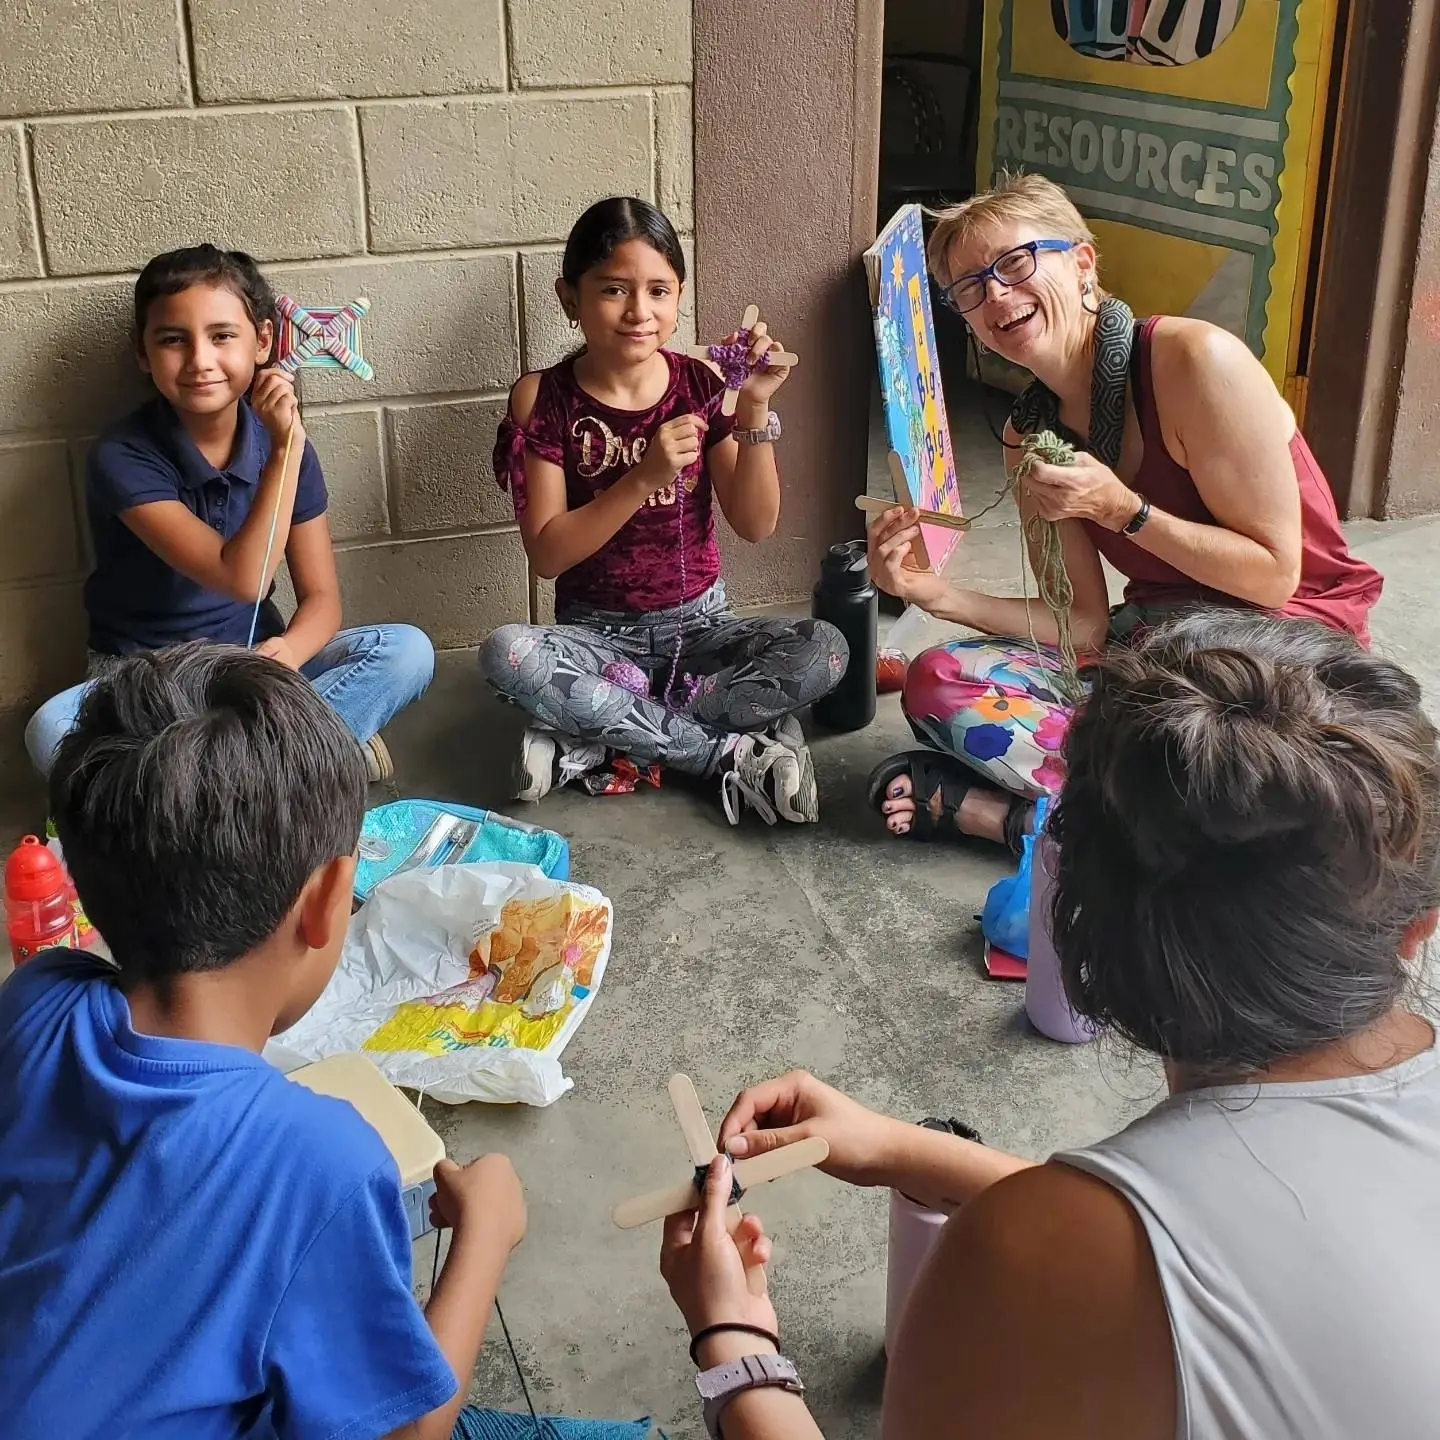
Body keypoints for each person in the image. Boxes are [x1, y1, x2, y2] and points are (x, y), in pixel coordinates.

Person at [659, 612, 1440, 1439]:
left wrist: (735, 1346)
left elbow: (1141, 1255)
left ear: (1071, 921)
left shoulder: (1027, 1257)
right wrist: (903, 1149)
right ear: (1417, 926)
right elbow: (1233, 1261)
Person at [0, 643, 647, 1440]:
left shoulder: (35, 999)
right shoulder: (324, 1164)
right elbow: (409, 1433)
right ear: (330, 900)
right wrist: (485, 1237)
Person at [866, 172, 1382, 850]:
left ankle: (1028, 821)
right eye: (969, 288)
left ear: (1082, 261)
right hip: (1158, 650)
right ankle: (1155, 826)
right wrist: (929, 592)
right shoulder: (1031, 436)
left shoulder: (1193, 361)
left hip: (1288, 651)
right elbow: (1082, 626)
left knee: (1176, 717)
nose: (996, 294)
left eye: (1016, 263)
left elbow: (1274, 578)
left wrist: (1126, 511)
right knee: (941, 682)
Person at [481, 197, 848, 825]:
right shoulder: (544, 397)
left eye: (659, 290)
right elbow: (546, 553)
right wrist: (643, 476)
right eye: (614, 290)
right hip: (593, 638)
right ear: (570, 298)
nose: (639, 312)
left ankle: (597, 732)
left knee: (828, 650)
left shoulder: (701, 384)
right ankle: (718, 755)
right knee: (506, 653)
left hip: (701, 630)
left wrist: (753, 405)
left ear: (679, 294)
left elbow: (756, 524)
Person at [22, 245, 434, 785]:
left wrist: (283, 657)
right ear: (143, 354)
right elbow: (245, 577)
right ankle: (305, 756)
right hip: (146, 680)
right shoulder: (123, 456)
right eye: (173, 340)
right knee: (51, 729)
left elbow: (322, 601)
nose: (199, 361)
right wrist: (283, 453)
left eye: (222, 336)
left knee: (406, 651)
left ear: (262, 341)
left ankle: (228, 776)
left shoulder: (286, 444)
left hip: (253, 662)